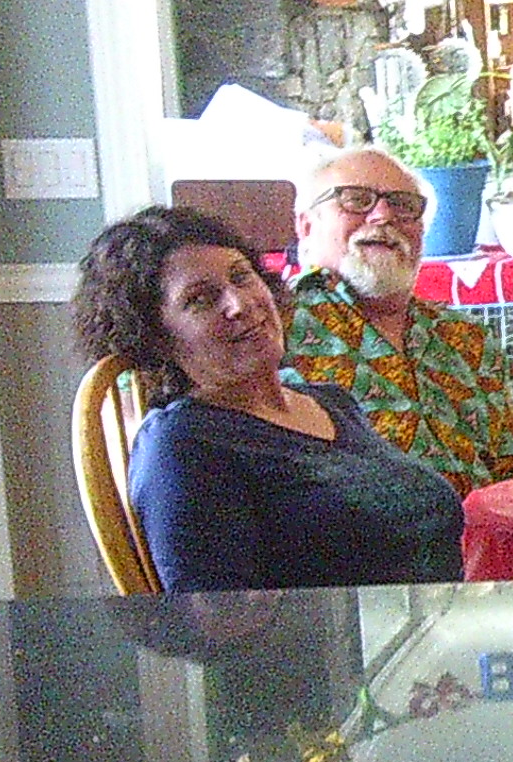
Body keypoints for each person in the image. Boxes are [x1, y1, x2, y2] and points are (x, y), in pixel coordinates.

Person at [74, 204, 465, 592]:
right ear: (155, 337)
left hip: (426, 631)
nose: (240, 304)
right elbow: (221, 626)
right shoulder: (183, 443)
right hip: (338, 651)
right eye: (201, 299)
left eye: (241, 277)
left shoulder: (332, 403)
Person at [283, 146, 513, 495]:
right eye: (356, 200)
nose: (383, 216)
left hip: (489, 538)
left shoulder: (465, 337)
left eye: (403, 205)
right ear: (307, 225)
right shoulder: (278, 328)